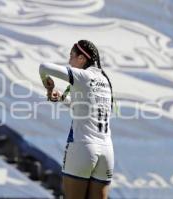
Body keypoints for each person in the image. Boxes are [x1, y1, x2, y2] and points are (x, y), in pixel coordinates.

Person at [39, 40, 114, 199]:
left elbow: (44, 67)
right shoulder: (105, 80)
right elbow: (83, 108)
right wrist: (60, 97)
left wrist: (47, 85)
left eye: (72, 56)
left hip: (82, 147)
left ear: (82, 58)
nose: (69, 61)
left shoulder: (82, 75)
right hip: (107, 151)